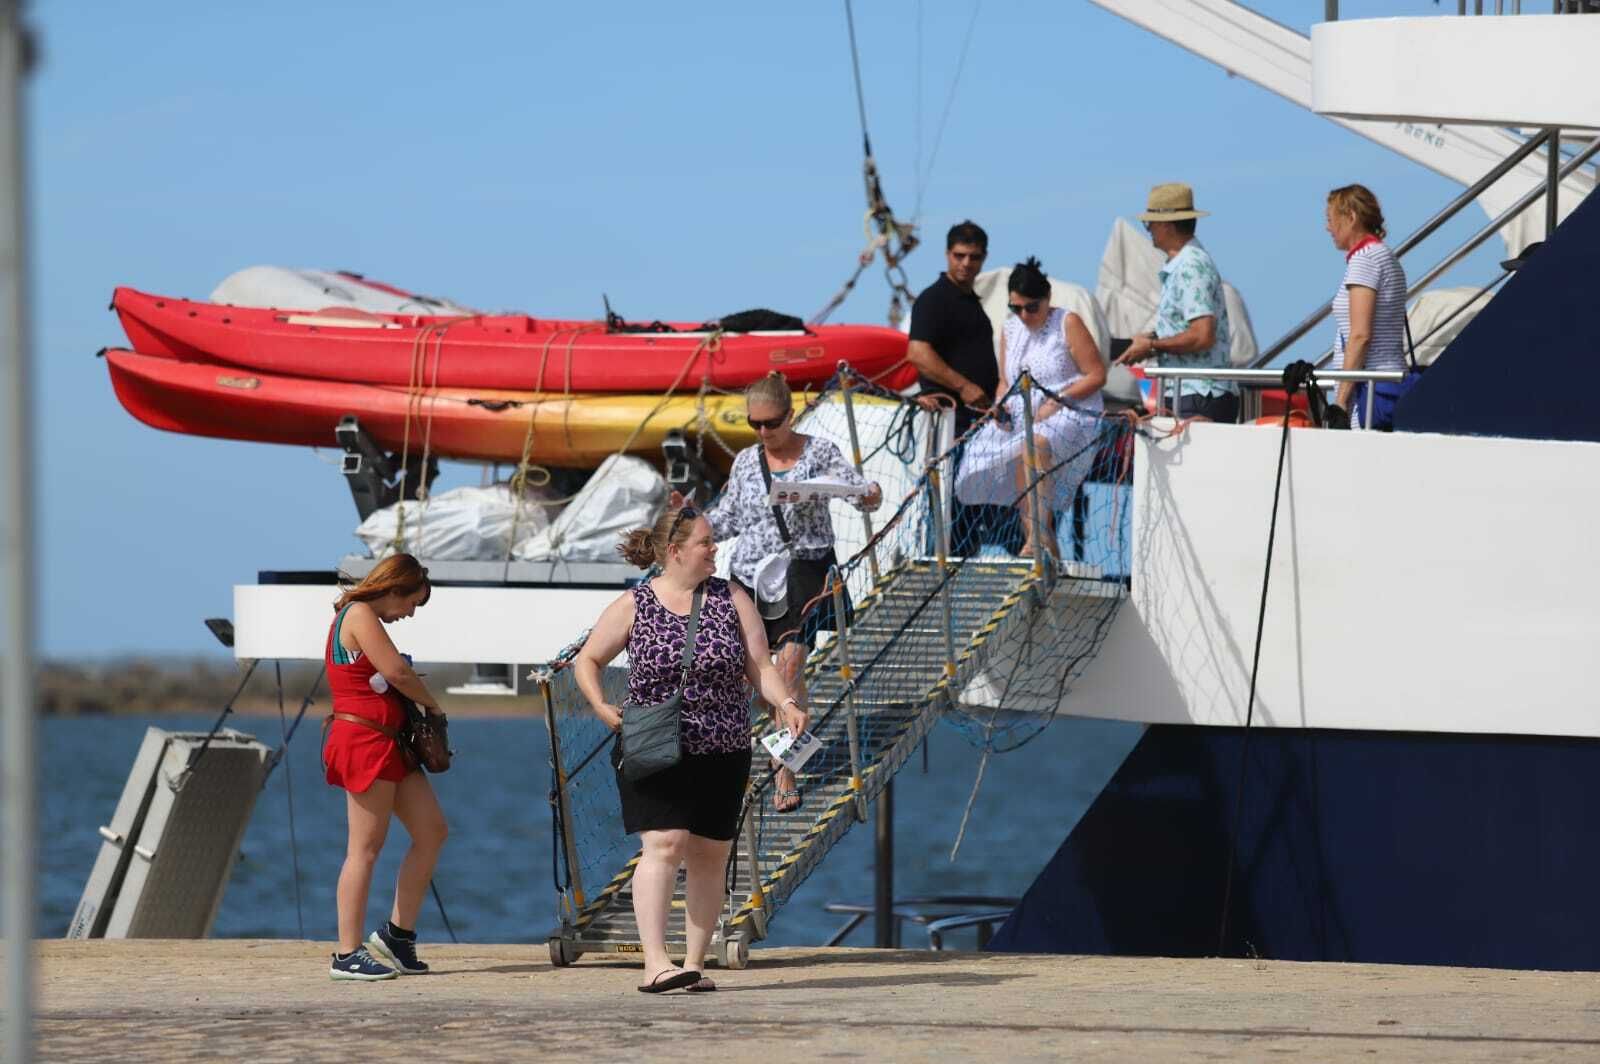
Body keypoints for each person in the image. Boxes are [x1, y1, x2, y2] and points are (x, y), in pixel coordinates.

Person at [573, 505, 807, 993]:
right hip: (655, 742)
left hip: (723, 745)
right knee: (664, 843)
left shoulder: (731, 597)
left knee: (709, 854)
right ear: (676, 551)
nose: (715, 548)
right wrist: (599, 704)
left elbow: (759, 665)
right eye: (706, 542)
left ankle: (693, 964)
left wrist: (784, 700)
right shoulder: (636, 603)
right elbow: (588, 659)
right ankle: (655, 962)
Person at [694, 370, 881, 812]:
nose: (763, 432)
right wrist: (693, 526)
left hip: (806, 566)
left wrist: (869, 494)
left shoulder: (819, 452)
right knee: (760, 683)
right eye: (753, 425)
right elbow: (731, 518)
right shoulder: (744, 462)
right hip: (750, 574)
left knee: (790, 668)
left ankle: (784, 775)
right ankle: (792, 737)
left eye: (771, 423)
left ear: (790, 415)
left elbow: (859, 493)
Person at [321, 553, 448, 982]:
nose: (410, 613)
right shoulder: (358, 613)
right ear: (395, 588)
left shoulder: (357, 615)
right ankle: (346, 953)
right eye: (412, 602)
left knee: (432, 831)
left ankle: (396, 936)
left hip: (391, 744)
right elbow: (395, 671)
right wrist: (433, 705)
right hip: (365, 740)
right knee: (365, 848)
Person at [954, 258, 1106, 559]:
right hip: (1023, 414)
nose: (1024, 314)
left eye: (1031, 307)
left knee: (1033, 446)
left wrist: (1057, 399)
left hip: (1071, 409)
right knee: (983, 453)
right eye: (1016, 307)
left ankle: (1037, 540)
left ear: (1047, 299)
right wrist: (998, 406)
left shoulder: (1068, 322)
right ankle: (1041, 540)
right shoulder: (1010, 330)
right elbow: (1003, 381)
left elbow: (1097, 375)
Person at [907, 219, 1019, 554]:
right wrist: (965, 386)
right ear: (947, 255)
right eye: (959, 255)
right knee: (953, 505)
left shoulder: (970, 302)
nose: (966, 264)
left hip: (978, 422)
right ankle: (951, 562)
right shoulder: (934, 299)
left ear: (983, 258)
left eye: (974, 257)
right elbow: (918, 353)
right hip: (950, 423)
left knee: (980, 503)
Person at [1116, 183, 1237, 423]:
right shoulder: (1187, 264)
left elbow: (1202, 335)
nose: (1148, 228)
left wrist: (1151, 345)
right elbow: (1188, 328)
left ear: (1166, 225)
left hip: (1199, 393)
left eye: (1149, 222)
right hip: (1191, 391)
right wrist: (1149, 341)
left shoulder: (1190, 266)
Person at [1325, 183, 1409, 429]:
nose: (1327, 227)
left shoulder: (1365, 261)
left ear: (1351, 217)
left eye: (1330, 219)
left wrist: (1340, 401)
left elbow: (1360, 335)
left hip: (1367, 391)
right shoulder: (1383, 256)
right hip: (1384, 382)